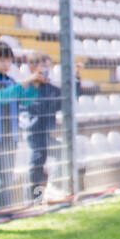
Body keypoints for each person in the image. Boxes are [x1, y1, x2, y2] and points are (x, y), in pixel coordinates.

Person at [19, 53, 93, 204]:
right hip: (33, 132)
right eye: (43, 67)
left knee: (61, 154)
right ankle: (32, 200)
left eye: (48, 67)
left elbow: (68, 98)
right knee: (36, 166)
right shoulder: (27, 87)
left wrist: (76, 77)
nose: (47, 70)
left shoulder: (50, 89)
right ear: (33, 68)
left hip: (45, 133)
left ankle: (50, 189)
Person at [0, 42, 42, 212]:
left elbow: (25, 100)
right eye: (1, 60)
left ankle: (3, 213)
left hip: (11, 136)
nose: (6, 64)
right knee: (1, 180)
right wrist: (26, 82)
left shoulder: (10, 81)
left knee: (7, 179)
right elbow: (3, 97)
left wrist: (34, 86)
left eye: (8, 61)